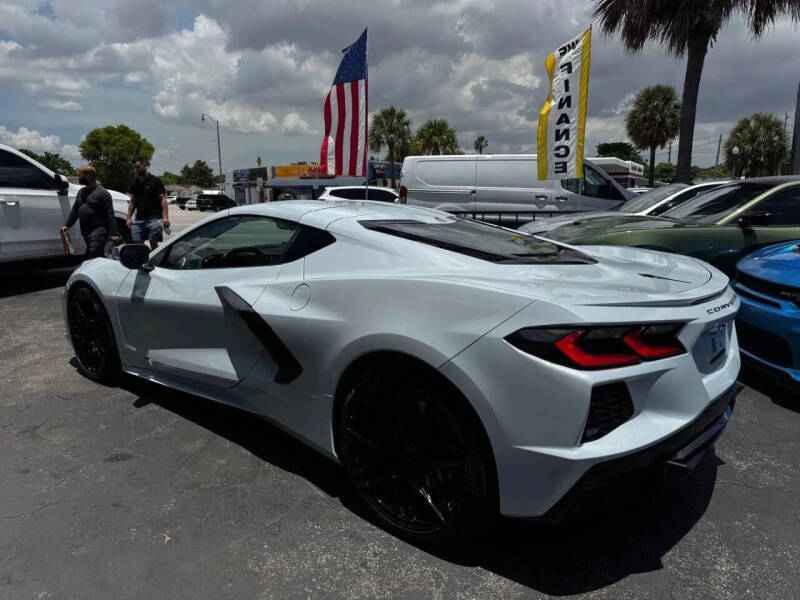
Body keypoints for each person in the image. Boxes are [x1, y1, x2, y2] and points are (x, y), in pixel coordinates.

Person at [61, 165, 120, 258]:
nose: (78, 177)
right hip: (86, 231)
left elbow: (110, 214)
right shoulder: (81, 192)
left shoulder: (103, 193)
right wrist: (67, 225)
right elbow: (75, 210)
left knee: (94, 252)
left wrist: (114, 233)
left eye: (79, 175)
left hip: (99, 230)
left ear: (88, 175)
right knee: (94, 254)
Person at [127, 157, 169, 251]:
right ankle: (146, 257)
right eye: (134, 168)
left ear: (144, 166)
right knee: (137, 243)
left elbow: (163, 199)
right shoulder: (135, 183)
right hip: (139, 219)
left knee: (153, 242)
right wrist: (128, 217)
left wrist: (165, 217)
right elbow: (133, 201)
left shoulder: (155, 181)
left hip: (154, 218)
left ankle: (154, 261)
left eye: (138, 167)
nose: (136, 170)